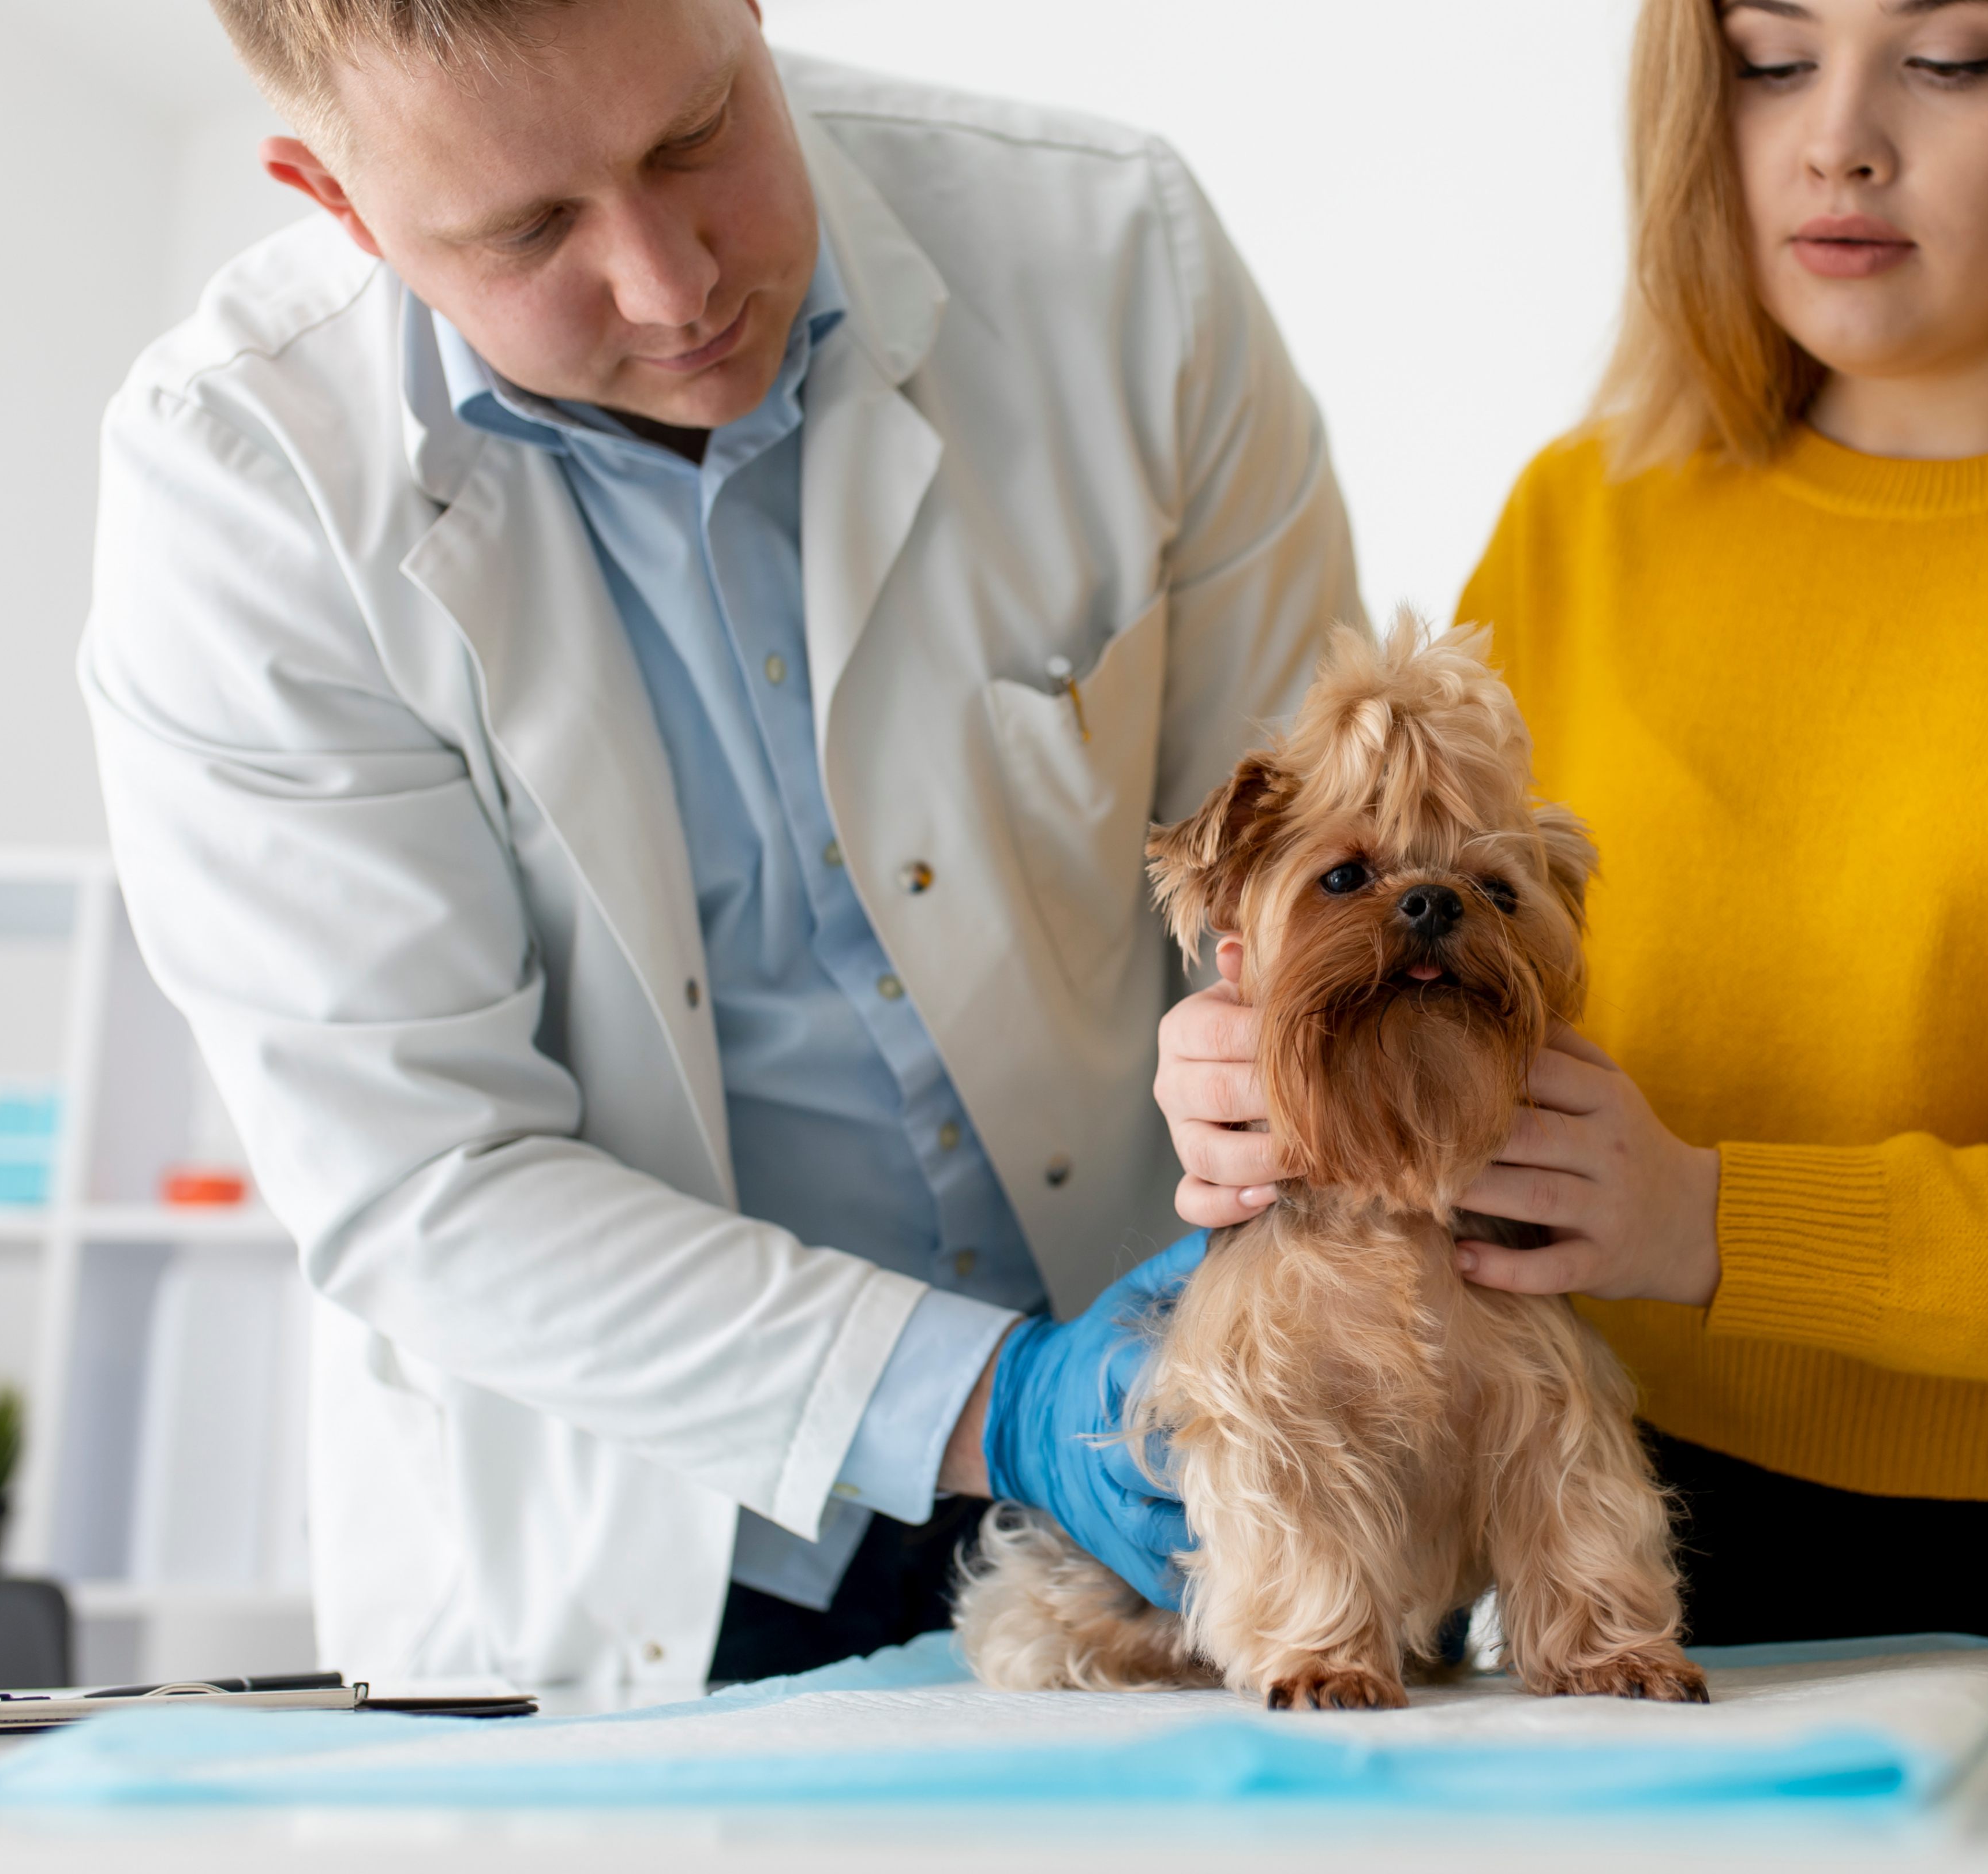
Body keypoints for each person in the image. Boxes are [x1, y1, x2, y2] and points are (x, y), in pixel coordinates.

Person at [1159, 0, 1988, 1675]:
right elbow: (1442, 986)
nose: (1838, 142)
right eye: (1771, 60)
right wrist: (1263, 1067)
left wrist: (1722, 1222)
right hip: (1644, 1544)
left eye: (1951, 60)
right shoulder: (1586, 520)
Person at [86, 0, 1358, 1689]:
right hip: (661, 1536)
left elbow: (1309, 876)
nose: (671, 283)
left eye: (695, 137)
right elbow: (426, 1174)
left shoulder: (1119, 258)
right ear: (340, 202)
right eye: (530, 230)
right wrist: (1003, 1405)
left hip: (1181, 1448)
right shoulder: (240, 488)